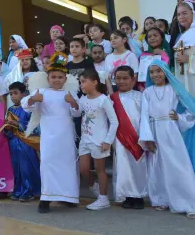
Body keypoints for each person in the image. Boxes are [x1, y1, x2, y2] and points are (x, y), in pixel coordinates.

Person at [22, 52, 80, 213]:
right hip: (48, 133)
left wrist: (73, 102)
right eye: (53, 76)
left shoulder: (69, 94)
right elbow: (25, 105)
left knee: (67, 163)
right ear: (48, 78)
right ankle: (46, 198)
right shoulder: (42, 92)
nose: (57, 80)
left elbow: (77, 112)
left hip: (66, 133)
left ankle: (68, 196)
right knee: (47, 162)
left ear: (65, 79)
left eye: (60, 77)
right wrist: (34, 99)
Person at [139, 60, 195, 218]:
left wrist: (180, 117)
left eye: (159, 71)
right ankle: (161, 199)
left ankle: (188, 202)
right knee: (157, 166)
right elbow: (143, 116)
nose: (155, 74)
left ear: (166, 72)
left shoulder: (174, 89)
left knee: (178, 165)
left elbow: (190, 110)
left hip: (170, 131)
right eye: (152, 72)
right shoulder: (147, 92)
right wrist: (147, 138)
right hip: (153, 131)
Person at [78, 69, 119, 210]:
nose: (81, 85)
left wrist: (108, 141)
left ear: (94, 82)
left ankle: (104, 199)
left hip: (99, 140)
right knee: (83, 169)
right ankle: (95, 188)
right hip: (85, 139)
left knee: (100, 170)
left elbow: (114, 122)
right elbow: (77, 113)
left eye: (84, 81)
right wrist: (72, 103)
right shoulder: (82, 99)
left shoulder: (103, 100)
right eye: (80, 82)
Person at [111, 66, 147, 209]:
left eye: (125, 78)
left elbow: (144, 118)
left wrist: (145, 136)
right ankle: (127, 195)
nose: (121, 81)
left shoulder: (140, 96)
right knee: (123, 166)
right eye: (118, 78)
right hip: (120, 138)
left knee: (138, 166)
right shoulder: (112, 98)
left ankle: (139, 196)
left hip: (137, 137)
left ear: (133, 80)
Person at [6, 82, 40, 202]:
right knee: (16, 168)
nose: (13, 96)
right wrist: (7, 127)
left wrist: (19, 124)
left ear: (24, 94)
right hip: (14, 141)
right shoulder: (10, 109)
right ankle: (18, 190)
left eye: (16, 93)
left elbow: (35, 126)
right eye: (11, 94)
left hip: (26, 142)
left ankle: (29, 191)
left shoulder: (29, 108)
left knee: (27, 167)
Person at [172, 0, 195, 170]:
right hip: (184, 89)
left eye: (185, 13)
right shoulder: (181, 37)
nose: (181, 17)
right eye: (178, 14)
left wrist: (190, 59)